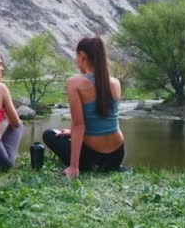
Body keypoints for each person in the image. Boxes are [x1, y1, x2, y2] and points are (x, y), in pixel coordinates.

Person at [43, 36, 125, 178]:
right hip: (116, 157)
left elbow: (78, 125)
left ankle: (79, 165)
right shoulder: (115, 83)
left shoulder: (75, 83)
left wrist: (74, 167)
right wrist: (70, 133)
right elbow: (103, 123)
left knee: (49, 134)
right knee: (65, 133)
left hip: (90, 159)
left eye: (76, 56)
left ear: (82, 56)